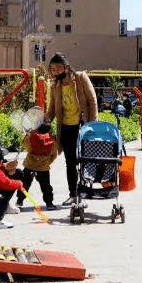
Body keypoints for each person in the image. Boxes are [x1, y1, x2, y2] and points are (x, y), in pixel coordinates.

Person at [45, 52, 98, 205]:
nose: (55, 72)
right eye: (53, 69)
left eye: (58, 69)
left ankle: (85, 193)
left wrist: (92, 124)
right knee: (70, 162)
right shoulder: (55, 86)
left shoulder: (80, 77)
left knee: (86, 160)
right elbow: (52, 109)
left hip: (83, 126)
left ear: (66, 67)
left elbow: (92, 101)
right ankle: (73, 194)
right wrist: (45, 122)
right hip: (66, 128)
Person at [16, 122, 59, 211]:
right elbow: (54, 155)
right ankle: (49, 203)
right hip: (43, 168)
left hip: (29, 166)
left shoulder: (31, 136)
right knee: (46, 186)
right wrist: (47, 163)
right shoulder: (51, 140)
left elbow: (24, 145)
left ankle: (20, 200)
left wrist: (25, 136)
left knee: (25, 184)